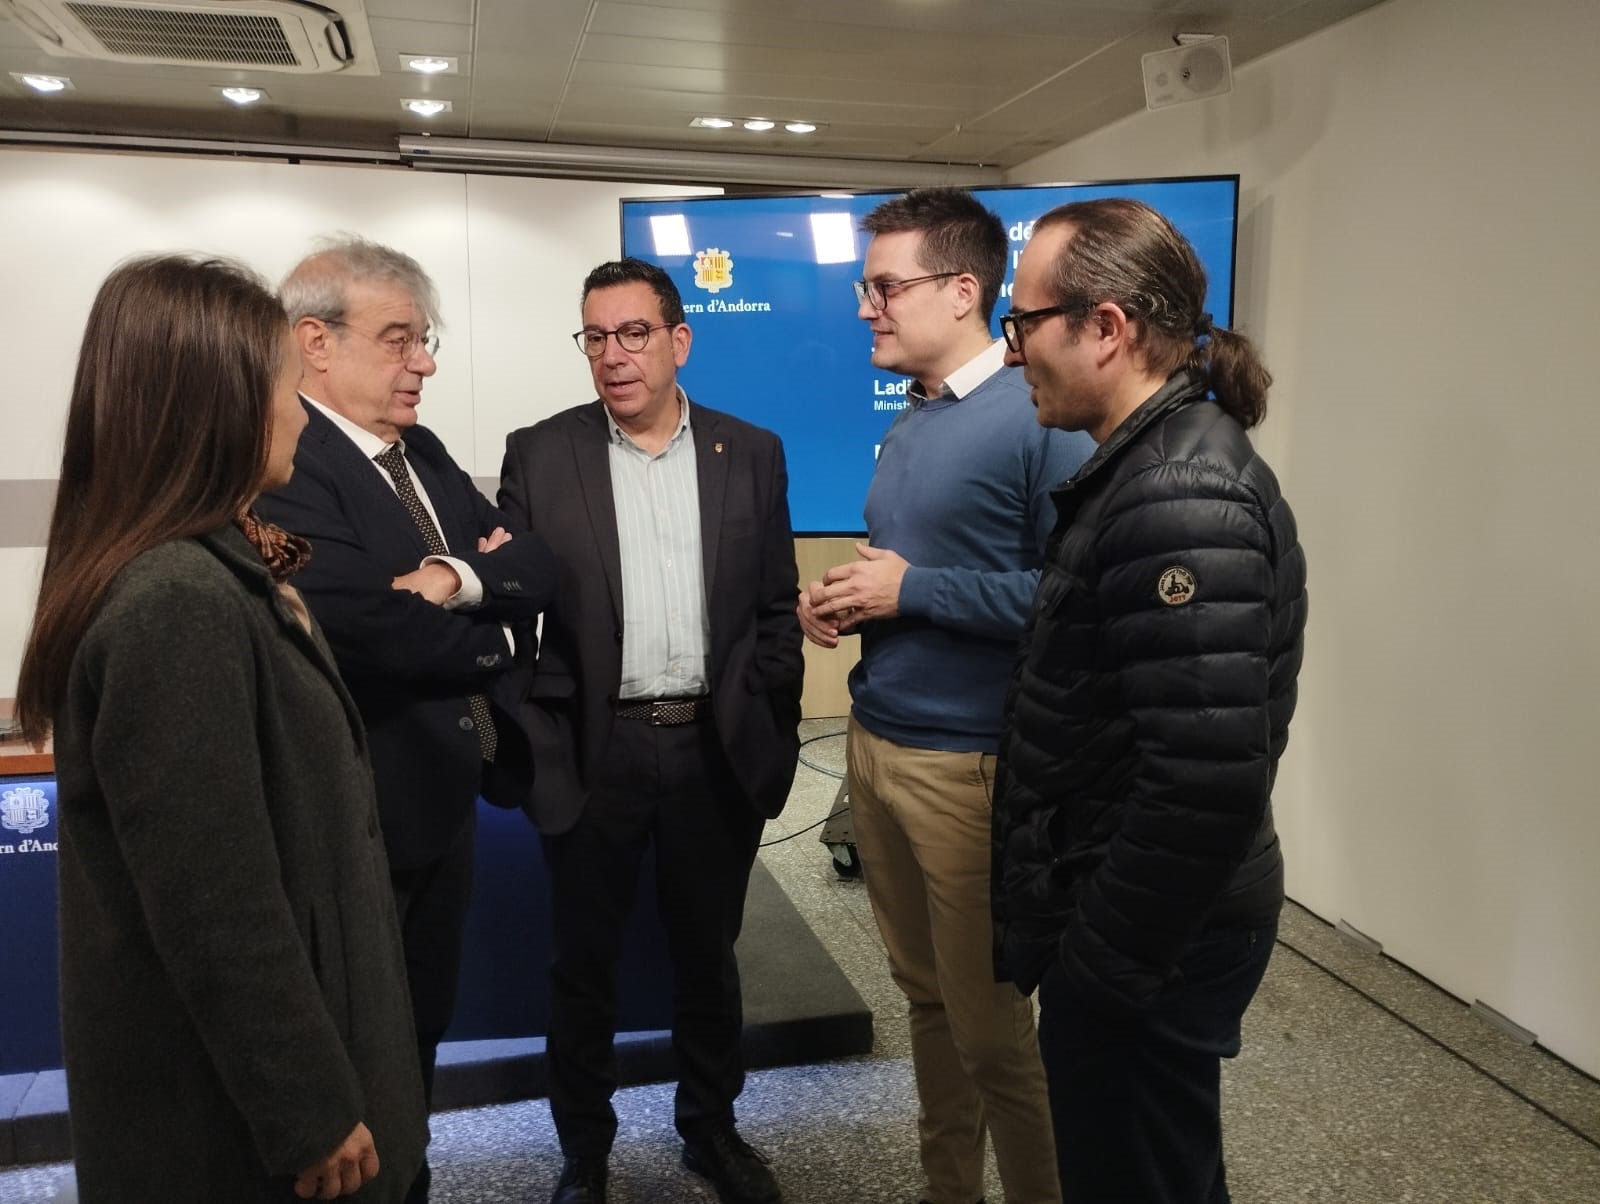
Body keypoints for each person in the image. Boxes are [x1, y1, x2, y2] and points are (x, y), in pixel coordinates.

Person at [13, 254, 428, 1201]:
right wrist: (308, 1107)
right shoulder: (177, 600)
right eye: (285, 386)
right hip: (235, 1136)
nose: (299, 414)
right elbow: (216, 903)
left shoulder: (215, 568)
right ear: (220, 406)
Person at [992, 198, 1309, 1203]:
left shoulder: (1178, 492)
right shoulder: (1151, 466)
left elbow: (1205, 779)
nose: (1012, 352)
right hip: (1145, 918)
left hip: (1151, 936)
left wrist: (1100, 967)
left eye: (1022, 323)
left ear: (1107, 327)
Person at [797, 188, 1089, 1204]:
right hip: (878, 747)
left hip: (969, 768)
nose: (865, 307)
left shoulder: (1041, 418)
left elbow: (1072, 598)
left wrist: (909, 590)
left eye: (884, 287)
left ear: (963, 291)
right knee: (925, 1001)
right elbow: (924, 570)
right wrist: (851, 600)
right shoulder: (917, 419)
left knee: (993, 1031)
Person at [255, 236, 555, 1199]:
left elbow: (534, 563)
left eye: (426, 340)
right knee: (355, 1056)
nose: (423, 361)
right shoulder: (288, 463)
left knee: (416, 1037)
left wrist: (448, 579)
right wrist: (496, 624)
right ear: (316, 342)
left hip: (448, 800)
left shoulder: (417, 449)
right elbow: (363, 629)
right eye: (399, 339)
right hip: (359, 819)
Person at [498, 258, 803, 1204]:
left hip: (715, 744)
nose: (613, 355)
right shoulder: (542, 454)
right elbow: (508, 603)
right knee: (582, 964)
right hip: (599, 749)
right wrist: (532, 728)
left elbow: (775, 609)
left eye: (633, 334)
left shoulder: (750, 451)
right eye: (595, 337)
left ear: (679, 341)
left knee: (708, 956)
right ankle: (584, 1151)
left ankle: (711, 1131)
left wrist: (775, 718)